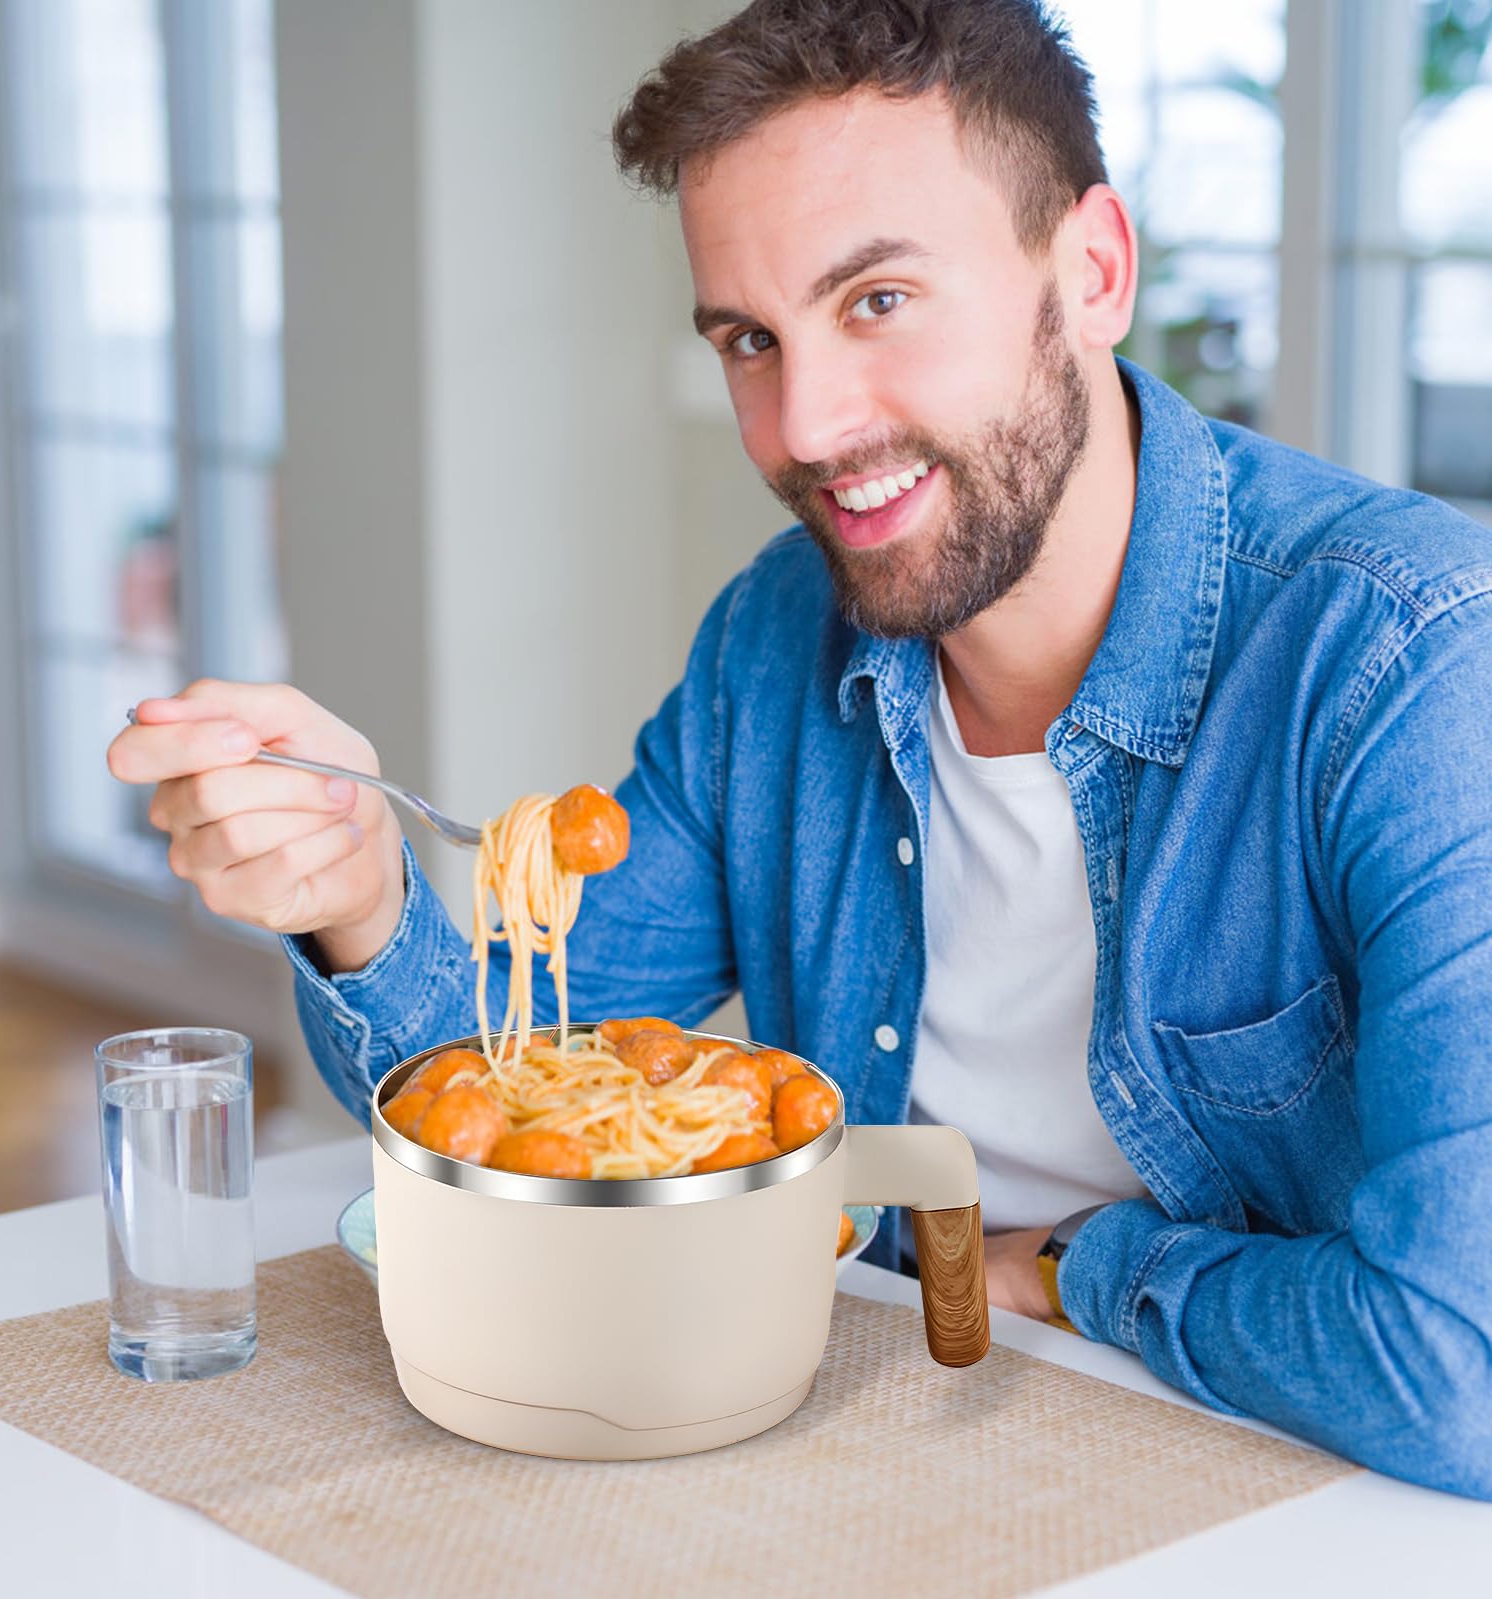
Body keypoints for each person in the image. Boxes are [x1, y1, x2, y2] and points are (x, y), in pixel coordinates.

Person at [106, 0, 1492, 1497]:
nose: (810, 425)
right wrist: (357, 896)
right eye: (750, 339)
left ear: (1090, 270)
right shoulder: (780, 639)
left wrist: (1086, 1270)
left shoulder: (1410, 669)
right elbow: (504, 1123)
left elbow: (1458, 1369)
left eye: (880, 301)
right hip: (869, 1416)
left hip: (1272, 1472)